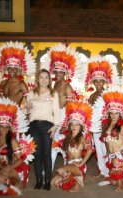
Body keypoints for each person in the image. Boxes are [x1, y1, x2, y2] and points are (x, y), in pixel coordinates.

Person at [91, 85, 123, 192]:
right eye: (112, 113)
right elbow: (106, 140)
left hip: (120, 155)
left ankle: (121, 185)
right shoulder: (106, 124)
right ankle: (120, 180)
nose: (114, 115)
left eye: (116, 113)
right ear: (108, 113)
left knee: (116, 164)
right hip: (111, 155)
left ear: (120, 113)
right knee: (113, 181)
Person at [45, 43, 84, 171]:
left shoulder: (67, 86)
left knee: (62, 143)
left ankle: (68, 169)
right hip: (53, 115)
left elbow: (71, 106)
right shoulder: (54, 85)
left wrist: (66, 123)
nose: (59, 73)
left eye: (61, 71)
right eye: (57, 71)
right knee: (53, 143)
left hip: (62, 116)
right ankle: (52, 168)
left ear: (66, 72)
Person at [86, 56, 119, 179]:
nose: (98, 83)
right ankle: (103, 171)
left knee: (108, 149)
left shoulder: (109, 94)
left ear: (104, 81)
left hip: (107, 126)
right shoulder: (91, 96)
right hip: (96, 126)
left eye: (101, 81)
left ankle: (111, 171)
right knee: (99, 150)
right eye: (96, 81)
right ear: (93, 82)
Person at [26, 69, 60, 191]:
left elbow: (56, 111)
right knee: (37, 154)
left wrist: (55, 126)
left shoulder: (53, 94)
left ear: (49, 80)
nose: (44, 80)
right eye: (41, 77)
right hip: (34, 125)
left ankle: (47, 181)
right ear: (37, 79)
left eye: (46, 77)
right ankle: (39, 180)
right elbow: (27, 111)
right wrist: (28, 108)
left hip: (47, 126)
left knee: (47, 154)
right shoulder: (31, 93)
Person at [51, 101, 94, 192]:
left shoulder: (82, 138)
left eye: (77, 124)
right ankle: (71, 177)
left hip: (78, 166)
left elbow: (90, 150)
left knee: (59, 170)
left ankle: (78, 180)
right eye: (72, 124)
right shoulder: (67, 138)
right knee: (53, 183)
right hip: (69, 164)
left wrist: (81, 163)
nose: (74, 126)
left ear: (81, 126)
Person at [0, 41, 36, 106]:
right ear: (7, 69)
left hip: (17, 113)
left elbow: (29, 103)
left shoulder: (21, 84)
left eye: (15, 68)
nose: (12, 70)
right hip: (4, 113)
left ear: (18, 70)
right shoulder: (3, 83)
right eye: (10, 68)